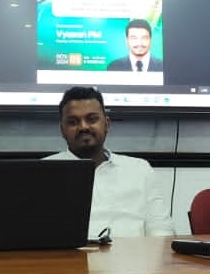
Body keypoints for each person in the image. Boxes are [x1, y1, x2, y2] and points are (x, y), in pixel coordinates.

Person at [44, 86, 174, 240]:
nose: (83, 127)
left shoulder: (139, 169)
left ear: (107, 124)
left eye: (92, 119)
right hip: (70, 254)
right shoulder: (43, 172)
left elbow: (161, 228)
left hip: (133, 253)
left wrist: (154, 254)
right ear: (62, 129)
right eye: (73, 122)